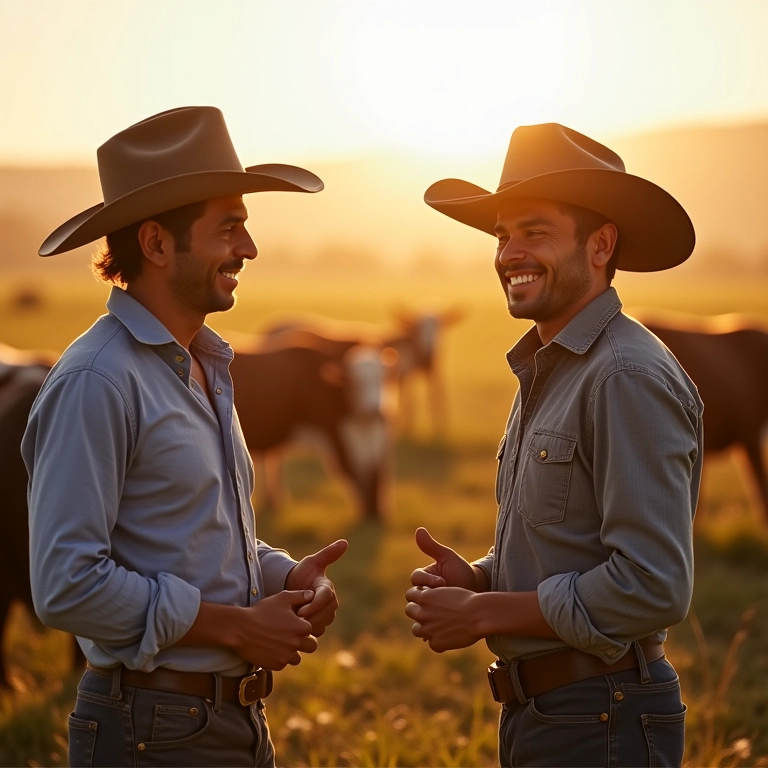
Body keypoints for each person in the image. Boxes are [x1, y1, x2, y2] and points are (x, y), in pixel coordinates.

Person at [22, 106, 348, 767]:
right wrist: (236, 626)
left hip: (230, 720)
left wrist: (285, 576)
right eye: (229, 229)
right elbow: (65, 583)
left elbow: (195, 534)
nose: (248, 249)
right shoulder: (97, 380)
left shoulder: (207, 366)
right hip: (150, 731)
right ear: (157, 244)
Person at [405, 123, 703, 768]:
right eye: (502, 235)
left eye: (534, 232)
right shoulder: (555, 365)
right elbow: (573, 543)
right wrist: (482, 579)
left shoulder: (623, 376)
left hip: (603, 716)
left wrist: (486, 614)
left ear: (600, 245)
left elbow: (653, 586)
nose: (509, 253)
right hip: (558, 714)